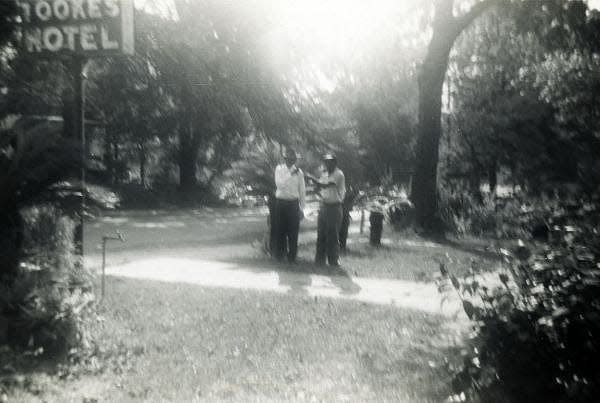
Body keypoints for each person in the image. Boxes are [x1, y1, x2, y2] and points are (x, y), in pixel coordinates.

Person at [313, 153, 346, 267]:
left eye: (330, 161)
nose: (327, 163)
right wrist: (317, 191)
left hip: (334, 206)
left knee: (332, 235)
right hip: (324, 205)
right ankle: (319, 260)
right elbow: (319, 187)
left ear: (335, 162)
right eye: (326, 161)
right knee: (321, 233)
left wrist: (312, 179)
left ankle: (333, 261)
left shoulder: (339, 174)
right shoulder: (324, 174)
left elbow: (328, 185)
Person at [273, 148, 306, 263]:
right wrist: (291, 172)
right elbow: (279, 185)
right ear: (285, 158)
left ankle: (292, 257)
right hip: (281, 202)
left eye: (293, 158)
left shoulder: (299, 173)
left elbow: (302, 191)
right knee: (280, 230)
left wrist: (302, 208)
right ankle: (279, 256)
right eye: (289, 158)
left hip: (293, 204)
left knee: (293, 231)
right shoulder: (279, 169)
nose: (291, 160)